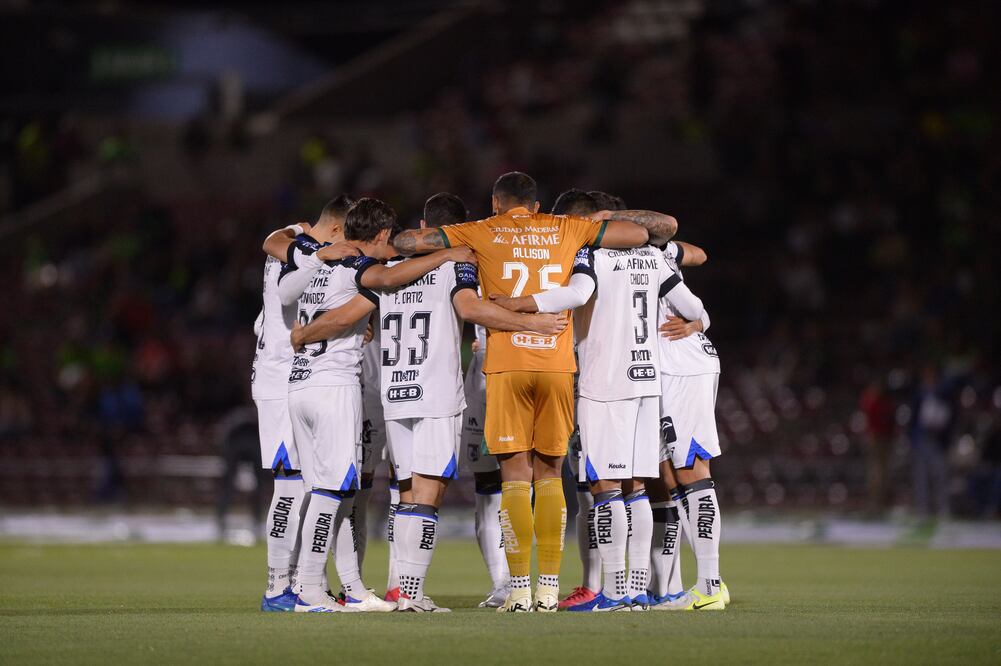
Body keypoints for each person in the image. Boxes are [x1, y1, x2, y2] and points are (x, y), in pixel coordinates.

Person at [392, 171, 677, 612]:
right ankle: (548, 589)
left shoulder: (481, 230)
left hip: (507, 366)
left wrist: (451, 247)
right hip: (556, 365)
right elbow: (645, 232)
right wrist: (603, 216)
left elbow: (406, 242)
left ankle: (519, 590)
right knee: (549, 476)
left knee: (513, 479)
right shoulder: (566, 227)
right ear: (538, 205)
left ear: (495, 203)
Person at [321, 192, 567, 611]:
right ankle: (411, 594)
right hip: (435, 394)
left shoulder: (390, 269)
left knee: (406, 493)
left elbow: (358, 308)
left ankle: (403, 590)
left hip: (395, 392)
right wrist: (532, 323)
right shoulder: (455, 266)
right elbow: (470, 310)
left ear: (422, 226)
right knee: (427, 494)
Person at [491, 192, 699, 612]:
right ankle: (637, 590)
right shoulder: (652, 256)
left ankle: (616, 591)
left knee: (605, 488)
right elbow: (693, 307)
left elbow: (575, 294)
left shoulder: (590, 255)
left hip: (605, 381)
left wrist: (518, 305)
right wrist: (693, 325)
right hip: (647, 380)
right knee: (636, 488)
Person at [286, 197, 469, 612]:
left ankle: (342, 586)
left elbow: (342, 308)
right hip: (333, 386)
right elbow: (375, 287)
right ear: (383, 233)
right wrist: (447, 253)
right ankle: (309, 588)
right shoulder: (363, 267)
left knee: (329, 491)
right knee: (333, 492)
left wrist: (322, 332)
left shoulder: (321, 264)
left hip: (302, 384)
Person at [253, 195, 358, 612]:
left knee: (310, 487)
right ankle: (277, 588)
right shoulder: (303, 250)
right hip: (280, 378)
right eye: (349, 236)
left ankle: (300, 583)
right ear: (337, 230)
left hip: (294, 376)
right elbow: (275, 249)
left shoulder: (298, 242)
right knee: (290, 487)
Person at [647, 239, 727, 611]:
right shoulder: (655, 253)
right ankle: (709, 583)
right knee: (671, 477)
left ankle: (709, 586)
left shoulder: (650, 253)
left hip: (682, 367)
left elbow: (696, 308)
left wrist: (698, 321)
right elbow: (697, 254)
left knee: (692, 470)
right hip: (662, 370)